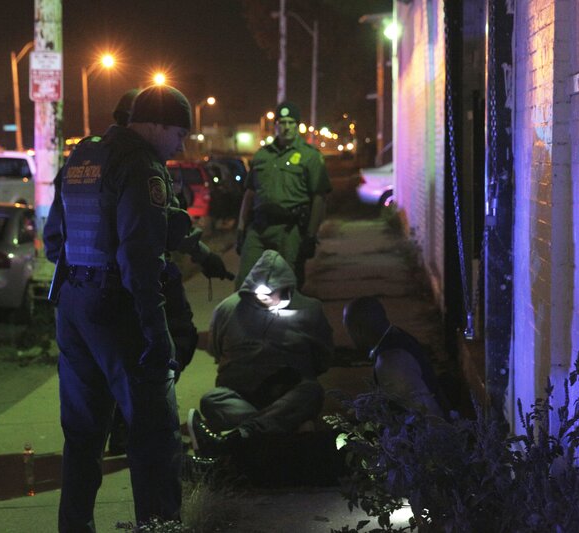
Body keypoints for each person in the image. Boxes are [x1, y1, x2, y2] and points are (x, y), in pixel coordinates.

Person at [44, 85, 193, 531]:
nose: (181, 147)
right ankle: (159, 527)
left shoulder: (83, 157)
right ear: (157, 126)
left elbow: (54, 241)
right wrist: (157, 331)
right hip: (120, 311)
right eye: (179, 135)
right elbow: (139, 259)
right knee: (154, 435)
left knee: (83, 437)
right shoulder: (141, 165)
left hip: (73, 307)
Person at [187, 249, 333, 457]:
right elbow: (217, 350)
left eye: (270, 292)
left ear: (285, 287)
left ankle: (241, 435)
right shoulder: (227, 309)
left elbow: (323, 358)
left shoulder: (309, 310)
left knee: (311, 392)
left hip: (288, 394)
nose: (263, 297)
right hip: (241, 397)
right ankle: (281, 429)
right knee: (212, 400)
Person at [235, 101, 331, 289]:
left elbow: (319, 199)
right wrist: (241, 228)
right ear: (275, 126)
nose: (286, 127)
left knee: (287, 286)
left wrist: (311, 235)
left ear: (297, 125)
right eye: (282, 122)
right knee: (245, 285)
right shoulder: (262, 155)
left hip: (289, 230)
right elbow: (249, 194)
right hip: (259, 228)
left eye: (290, 122)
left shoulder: (310, 156)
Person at [343, 296, 448, 418]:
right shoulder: (397, 337)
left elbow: (422, 414)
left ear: (358, 330)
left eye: (348, 330)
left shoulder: (390, 362)